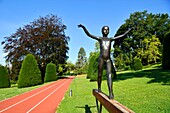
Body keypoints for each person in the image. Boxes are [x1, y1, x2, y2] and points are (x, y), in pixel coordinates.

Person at [78, 24, 132, 99]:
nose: (106, 31)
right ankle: (99, 87)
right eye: (104, 29)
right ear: (102, 31)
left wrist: (129, 30)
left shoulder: (110, 39)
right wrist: (83, 27)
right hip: (101, 59)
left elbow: (121, 35)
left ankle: (110, 92)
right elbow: (89, 34)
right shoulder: (100, 39)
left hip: (108, 59)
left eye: (107, 30)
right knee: (99, 75)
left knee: (109, 75)